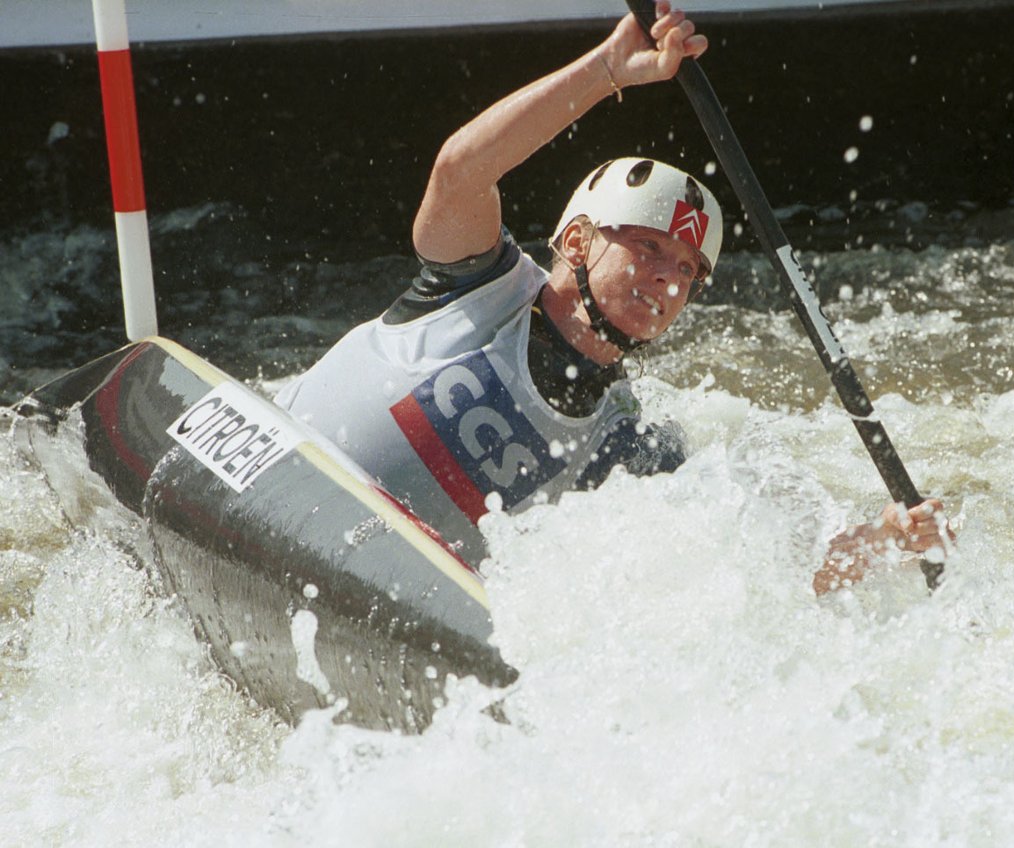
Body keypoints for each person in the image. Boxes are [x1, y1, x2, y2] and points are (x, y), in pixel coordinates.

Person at [275, 1, 954, 589]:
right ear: (576, 242)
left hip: (376, 585)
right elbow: (461, 170)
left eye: (688, 271)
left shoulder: (626, 448)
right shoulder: (479, 286)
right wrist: (604, 72)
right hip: (279, 472)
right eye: (650, 247)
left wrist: (884, 539)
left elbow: (769, 576)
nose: (668, 279)